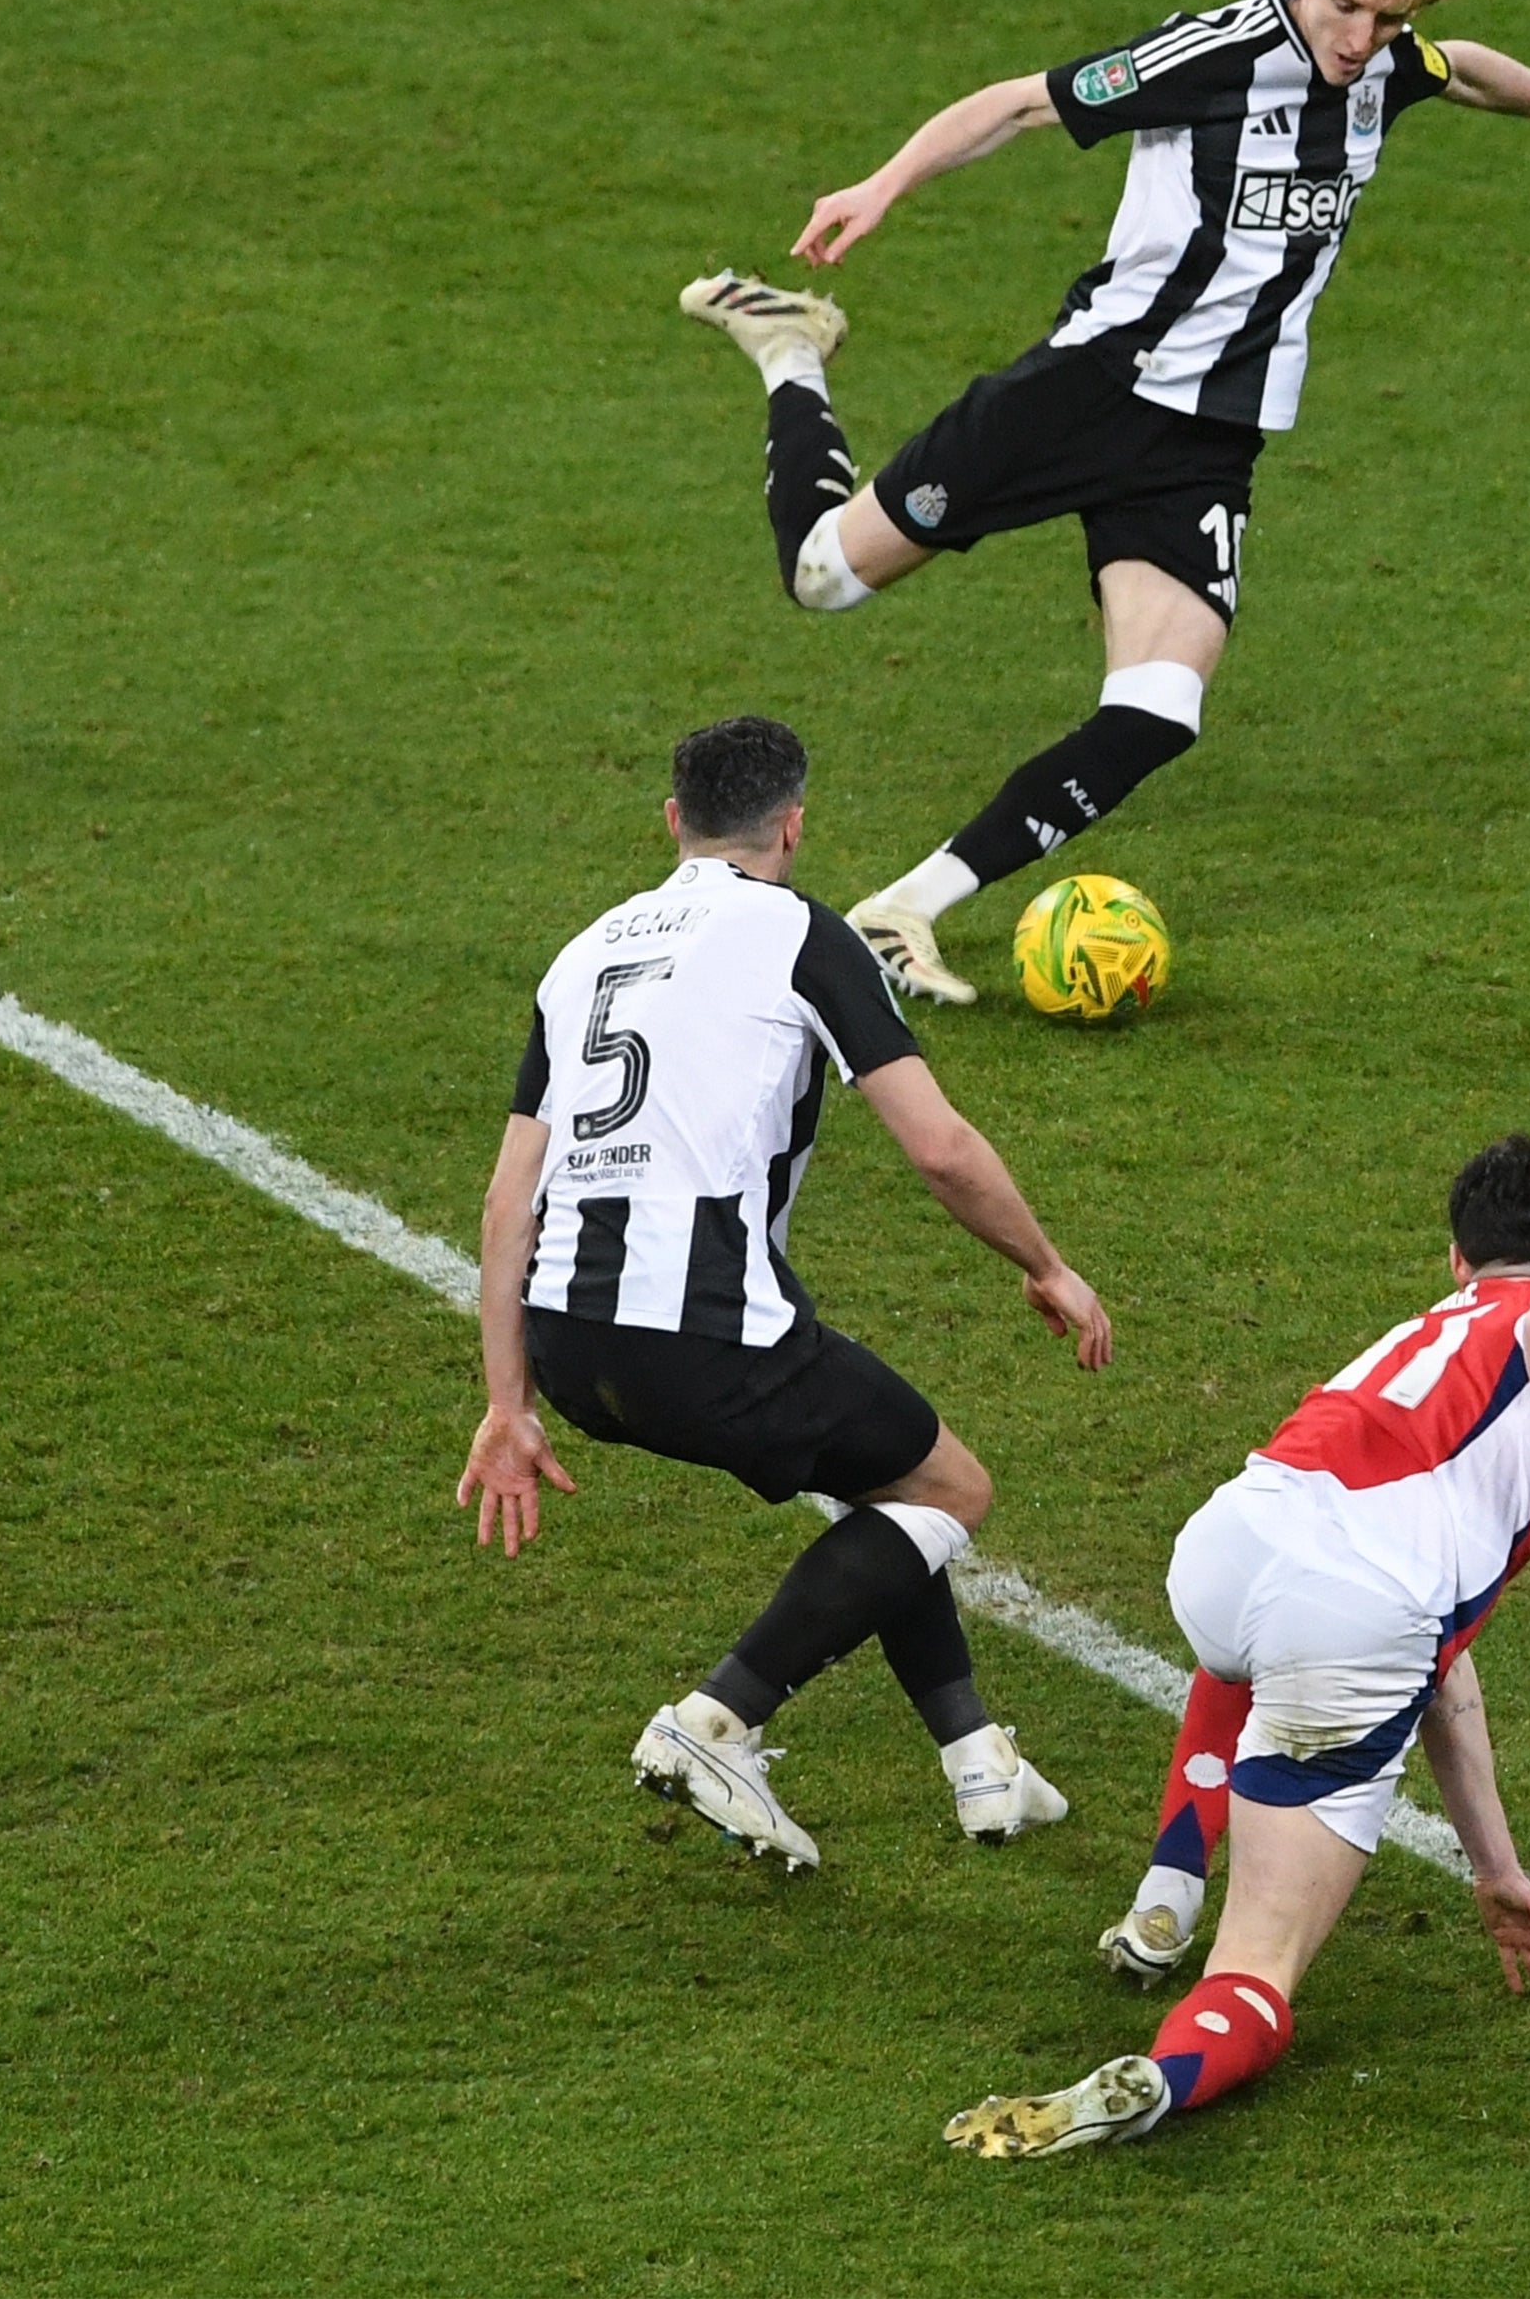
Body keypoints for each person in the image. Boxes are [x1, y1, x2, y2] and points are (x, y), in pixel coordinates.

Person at [680, 0, 1530, 1006]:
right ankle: (789, 350)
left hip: (1209, 441)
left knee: (1158, 709)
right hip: (1087, 393)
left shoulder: (1390, 62)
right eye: (1349, 9)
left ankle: (902, 909)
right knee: (822, 578)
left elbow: (1469, 70)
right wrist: (884, 183)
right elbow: (1018, 106)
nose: (1366, 43)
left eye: (1389, 20)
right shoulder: (1212, 55)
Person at [458, 715, 1113, 1870]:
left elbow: (508, 1203)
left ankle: (980, 1766)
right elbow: (940, 1150)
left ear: (672, 821)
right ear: (793, 826)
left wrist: (507, 1403)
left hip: (566, 1346)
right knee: (948, 1489)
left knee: (888, 1482)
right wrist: (1044, 1264)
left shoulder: (581, 953)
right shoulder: (802, 936)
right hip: (704, 1329)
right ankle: (717, 1718)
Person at [943, 1133, 1530, 2155]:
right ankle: (1167, 2072)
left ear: (1454, 1259)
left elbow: (1433, 1673)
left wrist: (1494, 1867)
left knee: (1266, 1648)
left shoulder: (1425, 1330)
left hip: (1228, 1546)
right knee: (1257, 1965)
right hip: (1353, 1616)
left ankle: (1170, 1881)